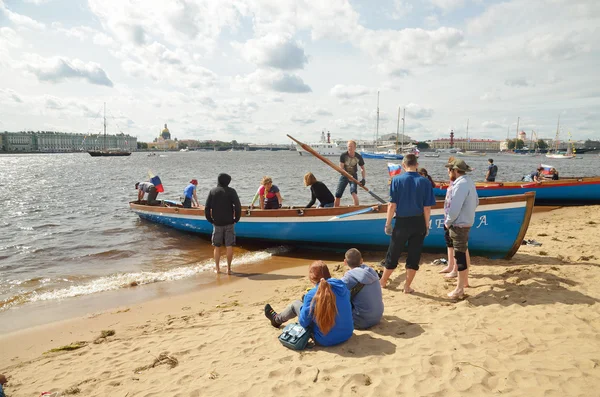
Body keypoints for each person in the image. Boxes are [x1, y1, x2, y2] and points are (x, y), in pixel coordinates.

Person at [380, 154, 436, 293]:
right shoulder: (425, 182)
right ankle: (407, 286)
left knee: (393, 252)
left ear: (404, 165)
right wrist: (427, 225)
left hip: (402, 222)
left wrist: (388, 223)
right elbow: (427, 208)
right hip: (418, 221)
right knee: (414, 254)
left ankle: (383, 281)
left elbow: (392, 205)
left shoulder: (396, 180)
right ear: (416, 164)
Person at [264, 261, 354, 346]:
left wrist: (306, 306)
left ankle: (276, 319)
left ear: (312, 278)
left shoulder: (311, 294)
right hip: (347, 334)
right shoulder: (342, 286)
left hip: (324, 340)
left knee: (296, 304)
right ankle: (278, 318)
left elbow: (304, 322)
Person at [444, 158, 479, 299]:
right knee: (463, 251)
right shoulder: (468, 181)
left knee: (459, 255)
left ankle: (459, 290)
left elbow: (454, 207)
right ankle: (464, 282)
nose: (448, 172)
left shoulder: (460, 185)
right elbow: (476, 201)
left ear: (455, 171)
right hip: (465, 222)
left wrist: (448, 221)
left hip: (459, 224)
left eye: (449, 169)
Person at [205, 173, 241, 275]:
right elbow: (238, 206)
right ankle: (229, 269)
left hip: (217, 223)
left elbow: (207, 208)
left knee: (217, 246)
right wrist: (236, 219)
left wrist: (210, 219)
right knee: (229, 246)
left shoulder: (212, 191)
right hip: (229, 222)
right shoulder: (232, 191)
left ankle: (217, 269)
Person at [341, 248, 384, 329]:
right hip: (378, 317)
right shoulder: (371, 271)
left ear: (345, 262)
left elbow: (336, 290)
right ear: (361, 260)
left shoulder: (350, 276)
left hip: (360, 321)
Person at [334, 140, 365, 207]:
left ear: (355, 147)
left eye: (351, 146)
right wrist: (347, 176)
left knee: (353, 192)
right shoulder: (343, 155)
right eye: (348, 146)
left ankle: (356, 208)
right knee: (338, 194)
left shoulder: (358, 156)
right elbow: (341, 169)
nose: (349, 148)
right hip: (344, 175)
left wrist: (363, 179)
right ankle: (335, 209)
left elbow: (362, 168)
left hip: (353, 176)